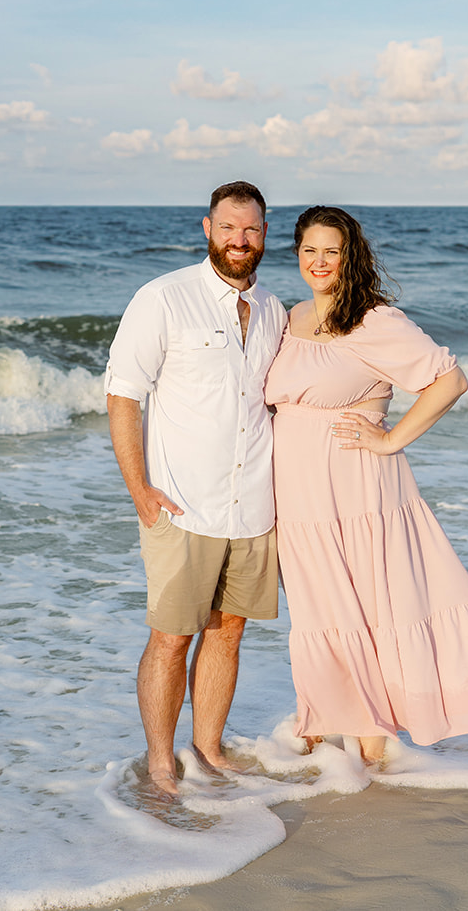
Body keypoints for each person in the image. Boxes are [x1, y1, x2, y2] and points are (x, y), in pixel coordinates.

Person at [264, 205, 468, 769]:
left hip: (358, 485)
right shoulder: (289, 319)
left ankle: (371, 738)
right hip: (298, 494)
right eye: (309, 250)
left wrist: (392, 441)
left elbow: (449, 380)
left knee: (372, 602)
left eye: (331, 251)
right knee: (321, 606)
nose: (319, 262)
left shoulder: (374, 320)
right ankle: (331, 716)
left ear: (350, 257)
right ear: (296, 255)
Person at [105, 181, 288, 797]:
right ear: (207, 228)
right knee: (171, 636)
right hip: (183, 505)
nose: (240, 241)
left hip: (254, 508)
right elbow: (122, 396)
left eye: (253, 230)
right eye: (230, 227)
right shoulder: (163, 299)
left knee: (229, 631)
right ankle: (161, 758)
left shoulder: (274, 311)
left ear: (266, 235)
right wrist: (140, 491)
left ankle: (207, 747)